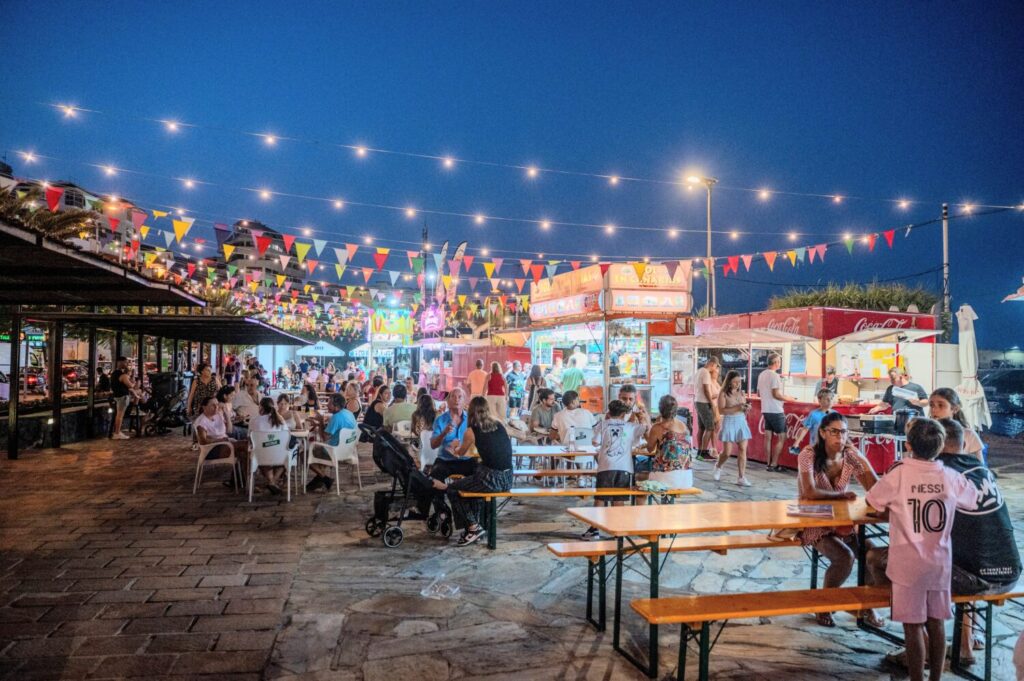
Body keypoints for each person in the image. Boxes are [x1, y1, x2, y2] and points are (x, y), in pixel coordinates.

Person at [869, 418, 1020, 666]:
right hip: (1010, 570)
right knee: (949, 558)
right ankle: (961, 645)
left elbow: (878, 502)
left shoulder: (937, 470)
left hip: (973, 576)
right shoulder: (978, 469)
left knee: (876, 559)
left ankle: (919, 643)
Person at [866, 418, 977, 681]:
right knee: (936, 623)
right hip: (939, 563)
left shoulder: (899, 474)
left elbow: (873, 500)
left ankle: (917, 678)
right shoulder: (950, 476)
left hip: (906, 564)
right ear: (941, 448)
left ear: (908, 445)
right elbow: (971, 500)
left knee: (913, 626)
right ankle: (935, 678)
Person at [797, 411, 880, 627]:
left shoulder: (850, 456)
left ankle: (864, 604)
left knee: (874, 556)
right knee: (845, 557)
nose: (840, 438)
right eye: (834, 432)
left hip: (843, 522)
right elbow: (809, 492)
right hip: (814, 521)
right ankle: (826, 603)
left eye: (844, 432)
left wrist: (861, 458)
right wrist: (841, 495)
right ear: (823, 433)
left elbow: (875, 487)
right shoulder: (808, 455)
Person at [431, 397, 514, 546]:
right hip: (508, 478)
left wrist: (454, 446)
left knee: (454, 489)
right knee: (469, 481)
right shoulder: (499, 425)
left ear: (471, 411)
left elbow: (460, 454)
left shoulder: (471, 431)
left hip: (491, 479)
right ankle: (476, 523)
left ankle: (473, 528)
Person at [580, 400, 647, 541]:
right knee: (619, 500)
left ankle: (594, 529)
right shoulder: (630, 426)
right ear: (624, 414)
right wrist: (641, 415)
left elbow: (595, 442)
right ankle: (618, 530)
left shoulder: (603, 424)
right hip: (624, 468)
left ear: (609, 413)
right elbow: (646, 429)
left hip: (605, 467)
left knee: (599, 499)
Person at [193, 395, 249, 487]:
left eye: (217, 405)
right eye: (212, 405)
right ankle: (256, 475)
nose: (216, 407)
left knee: (244, 453)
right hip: (212, 449)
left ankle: (244, 482)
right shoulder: (201, 422)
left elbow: (229, 430)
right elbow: (203, 441)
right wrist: (219, 440)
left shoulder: (218, 415)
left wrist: (226, 414)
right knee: (246, 446)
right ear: (204, 407)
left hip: (225, 444)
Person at [307, 393, 358, 493]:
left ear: (336, 406)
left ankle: (325, 478)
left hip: (334, 451)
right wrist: (320, 424)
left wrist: (321, 422)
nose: (327, 405)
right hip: (349, 449)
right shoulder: (348, 413)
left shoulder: (336, 418)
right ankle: (320, 480)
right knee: (320, 460)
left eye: (329, 403)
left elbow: (324, 437)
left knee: (304, 454)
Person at [758, 352, 797, 471]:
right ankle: (774, 464)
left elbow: (760, 393)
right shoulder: (774, 376)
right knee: (782, 437)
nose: (780, 363)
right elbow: (776, 394)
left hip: (765, 408)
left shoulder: (762, 374)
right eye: (779, 361)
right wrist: (789, 398)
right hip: (776, 410)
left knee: (768, 437)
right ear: (775, 363)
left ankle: (768, 463)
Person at [645, 395, 692, 489]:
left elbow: (650, 449)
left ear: (660, 410)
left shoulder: (658, 427)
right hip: (686, 479)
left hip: (666, 478)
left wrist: (647, 430)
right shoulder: (684, 426)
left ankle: (641, 503)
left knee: (637, 477)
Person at [715, 370, 753, 486]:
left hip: (741, 421)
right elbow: (721, 410)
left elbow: (743, 407)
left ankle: (741, 477)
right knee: (727, 452)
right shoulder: (723, 394)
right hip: (729, 421)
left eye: (738, 382)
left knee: (742, 448)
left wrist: (746, 408)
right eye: (735, 382)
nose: (737, 384)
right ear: (729, 382)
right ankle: (718, 466)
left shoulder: (741, 393)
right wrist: (737, 408)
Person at [929, 388, 985, 460]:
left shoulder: (968, 435)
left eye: (941, 405)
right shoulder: (925, 433)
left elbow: (979, 467)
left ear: (955, 409)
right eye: (931, 405)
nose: (934, 410)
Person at [252, 397, 289, 495]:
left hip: (260, 456)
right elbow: (287, 435)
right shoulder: (279, 419)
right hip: (279, 455)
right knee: (287, 456)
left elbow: (250, 438)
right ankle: (272, 482)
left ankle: (271, 481)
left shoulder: (254, 420)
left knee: (260, 453)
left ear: (261, 407)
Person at [790, 389, 837, 453]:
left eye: (831, 398)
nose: (830, 401)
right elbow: (805, 429)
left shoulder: (836, 414)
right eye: (827, 399)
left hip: (831, 447)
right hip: (816, 447)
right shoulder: (813, 414)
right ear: (819, 400)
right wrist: (796, 443)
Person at [693, 356, 721, 462]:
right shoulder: (705, 373)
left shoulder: (699, 371)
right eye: (716, 367)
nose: (715, 370)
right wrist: (711, 403)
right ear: (713, 364)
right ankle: (703, 452)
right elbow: (706, 390)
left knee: (702, 428)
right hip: (704, 402)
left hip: (698, 401)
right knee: (710, 427)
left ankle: (699, 451)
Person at [110, 357, 137, 440]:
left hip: (118, 396)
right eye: (125, 362)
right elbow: (130, 385)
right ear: (120, 362)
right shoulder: (122, 375)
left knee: (118, 415)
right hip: (122, 396)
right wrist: (133, 380)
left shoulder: (114, 373)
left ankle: (117, 432)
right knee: (120, 415)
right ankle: (117, 433)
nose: (126, 364)